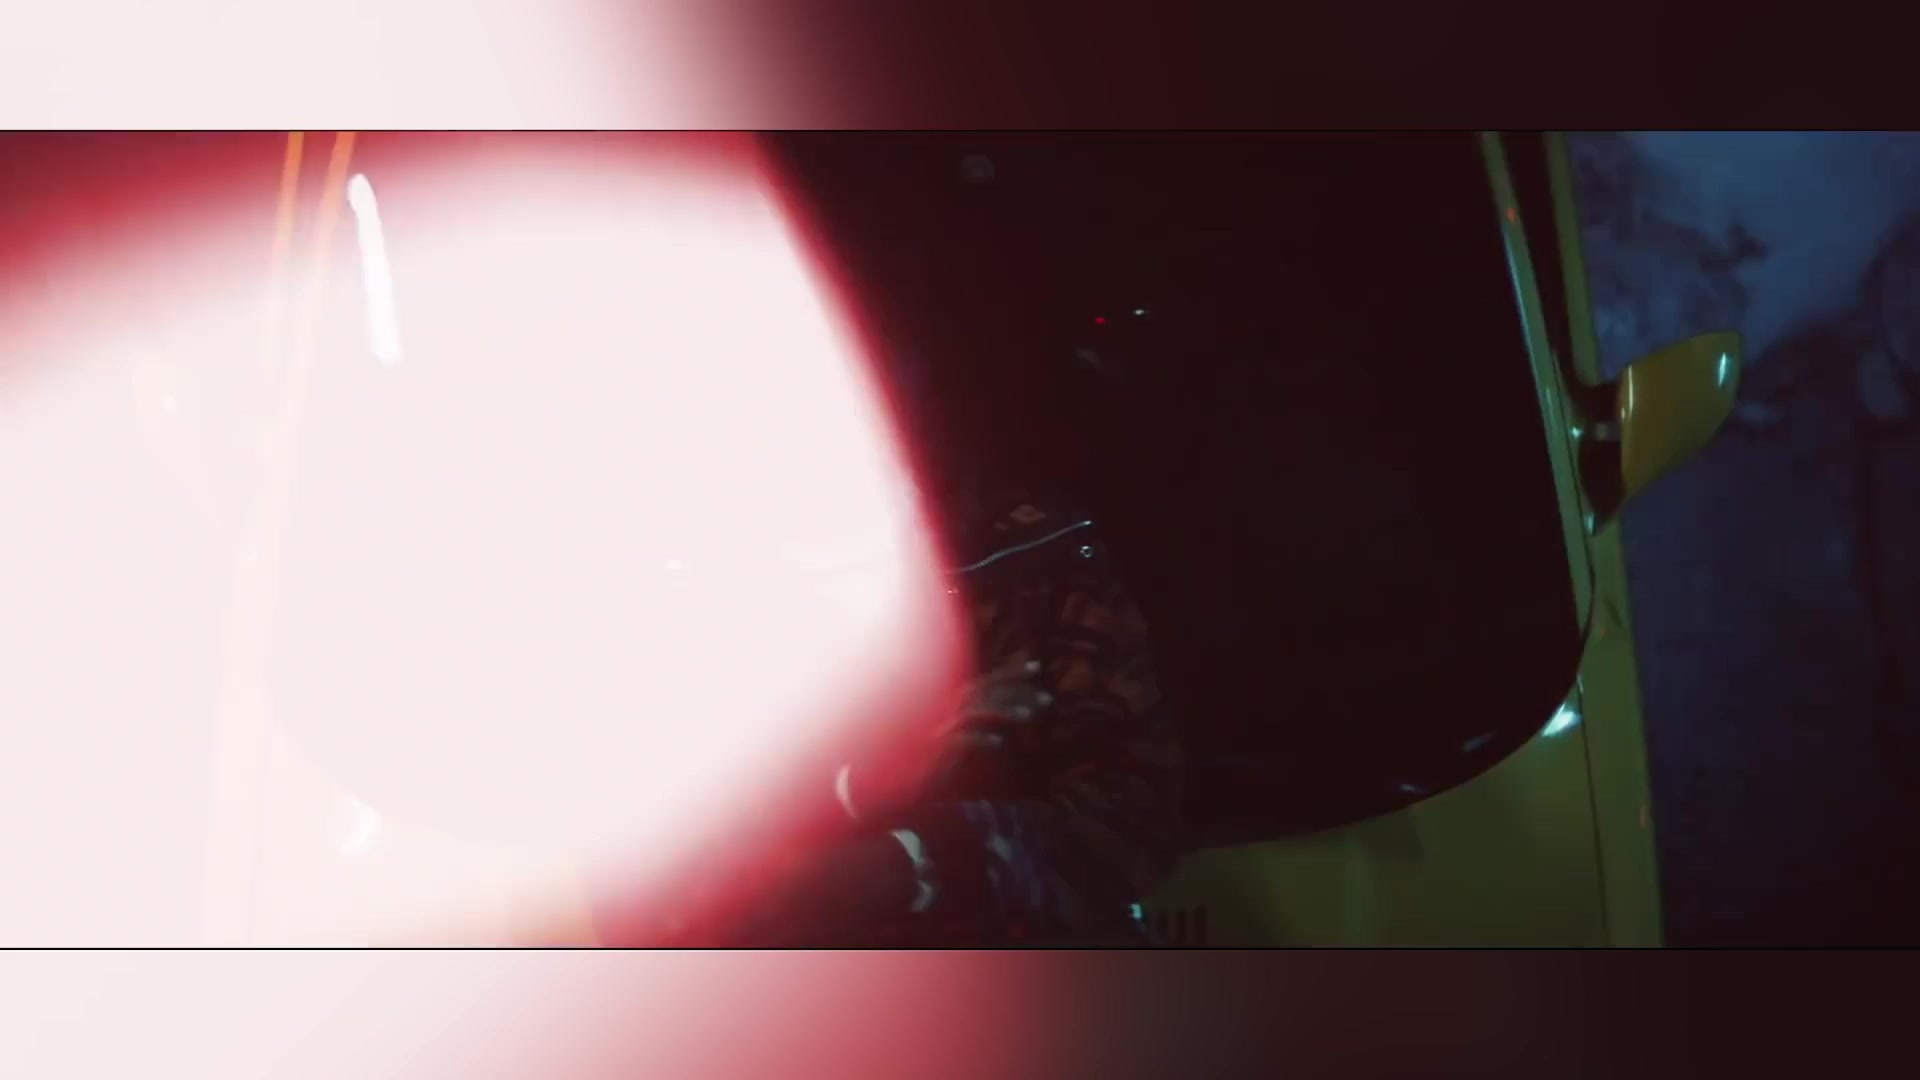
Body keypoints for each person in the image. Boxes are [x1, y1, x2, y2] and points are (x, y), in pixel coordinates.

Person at [593, 486, 1184, 948]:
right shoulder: (693, 579)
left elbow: (1130, 828)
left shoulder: (1039, 554)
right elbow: (646, 884)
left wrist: (911, 864)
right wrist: (863, 792)